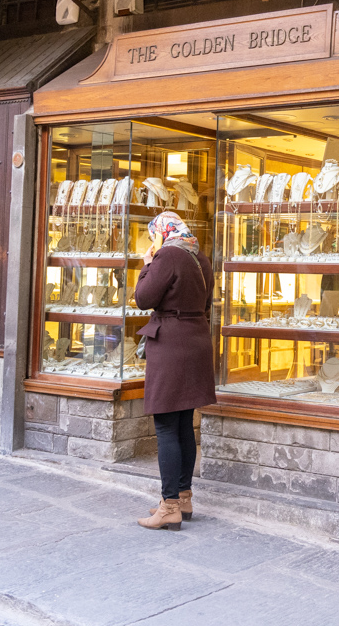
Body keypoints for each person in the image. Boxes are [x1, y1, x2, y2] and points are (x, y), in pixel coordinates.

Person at [133, 211, 215, 530]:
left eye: (153, 234)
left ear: (161, 233)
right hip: (195, 340)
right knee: (183, 423)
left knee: (166, 424)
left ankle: (168, 508)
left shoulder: (167, 255)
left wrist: (147, 263)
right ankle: (183, 497)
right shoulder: (199, 257)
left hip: (172, 345)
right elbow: (205, 301)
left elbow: (143, 298)